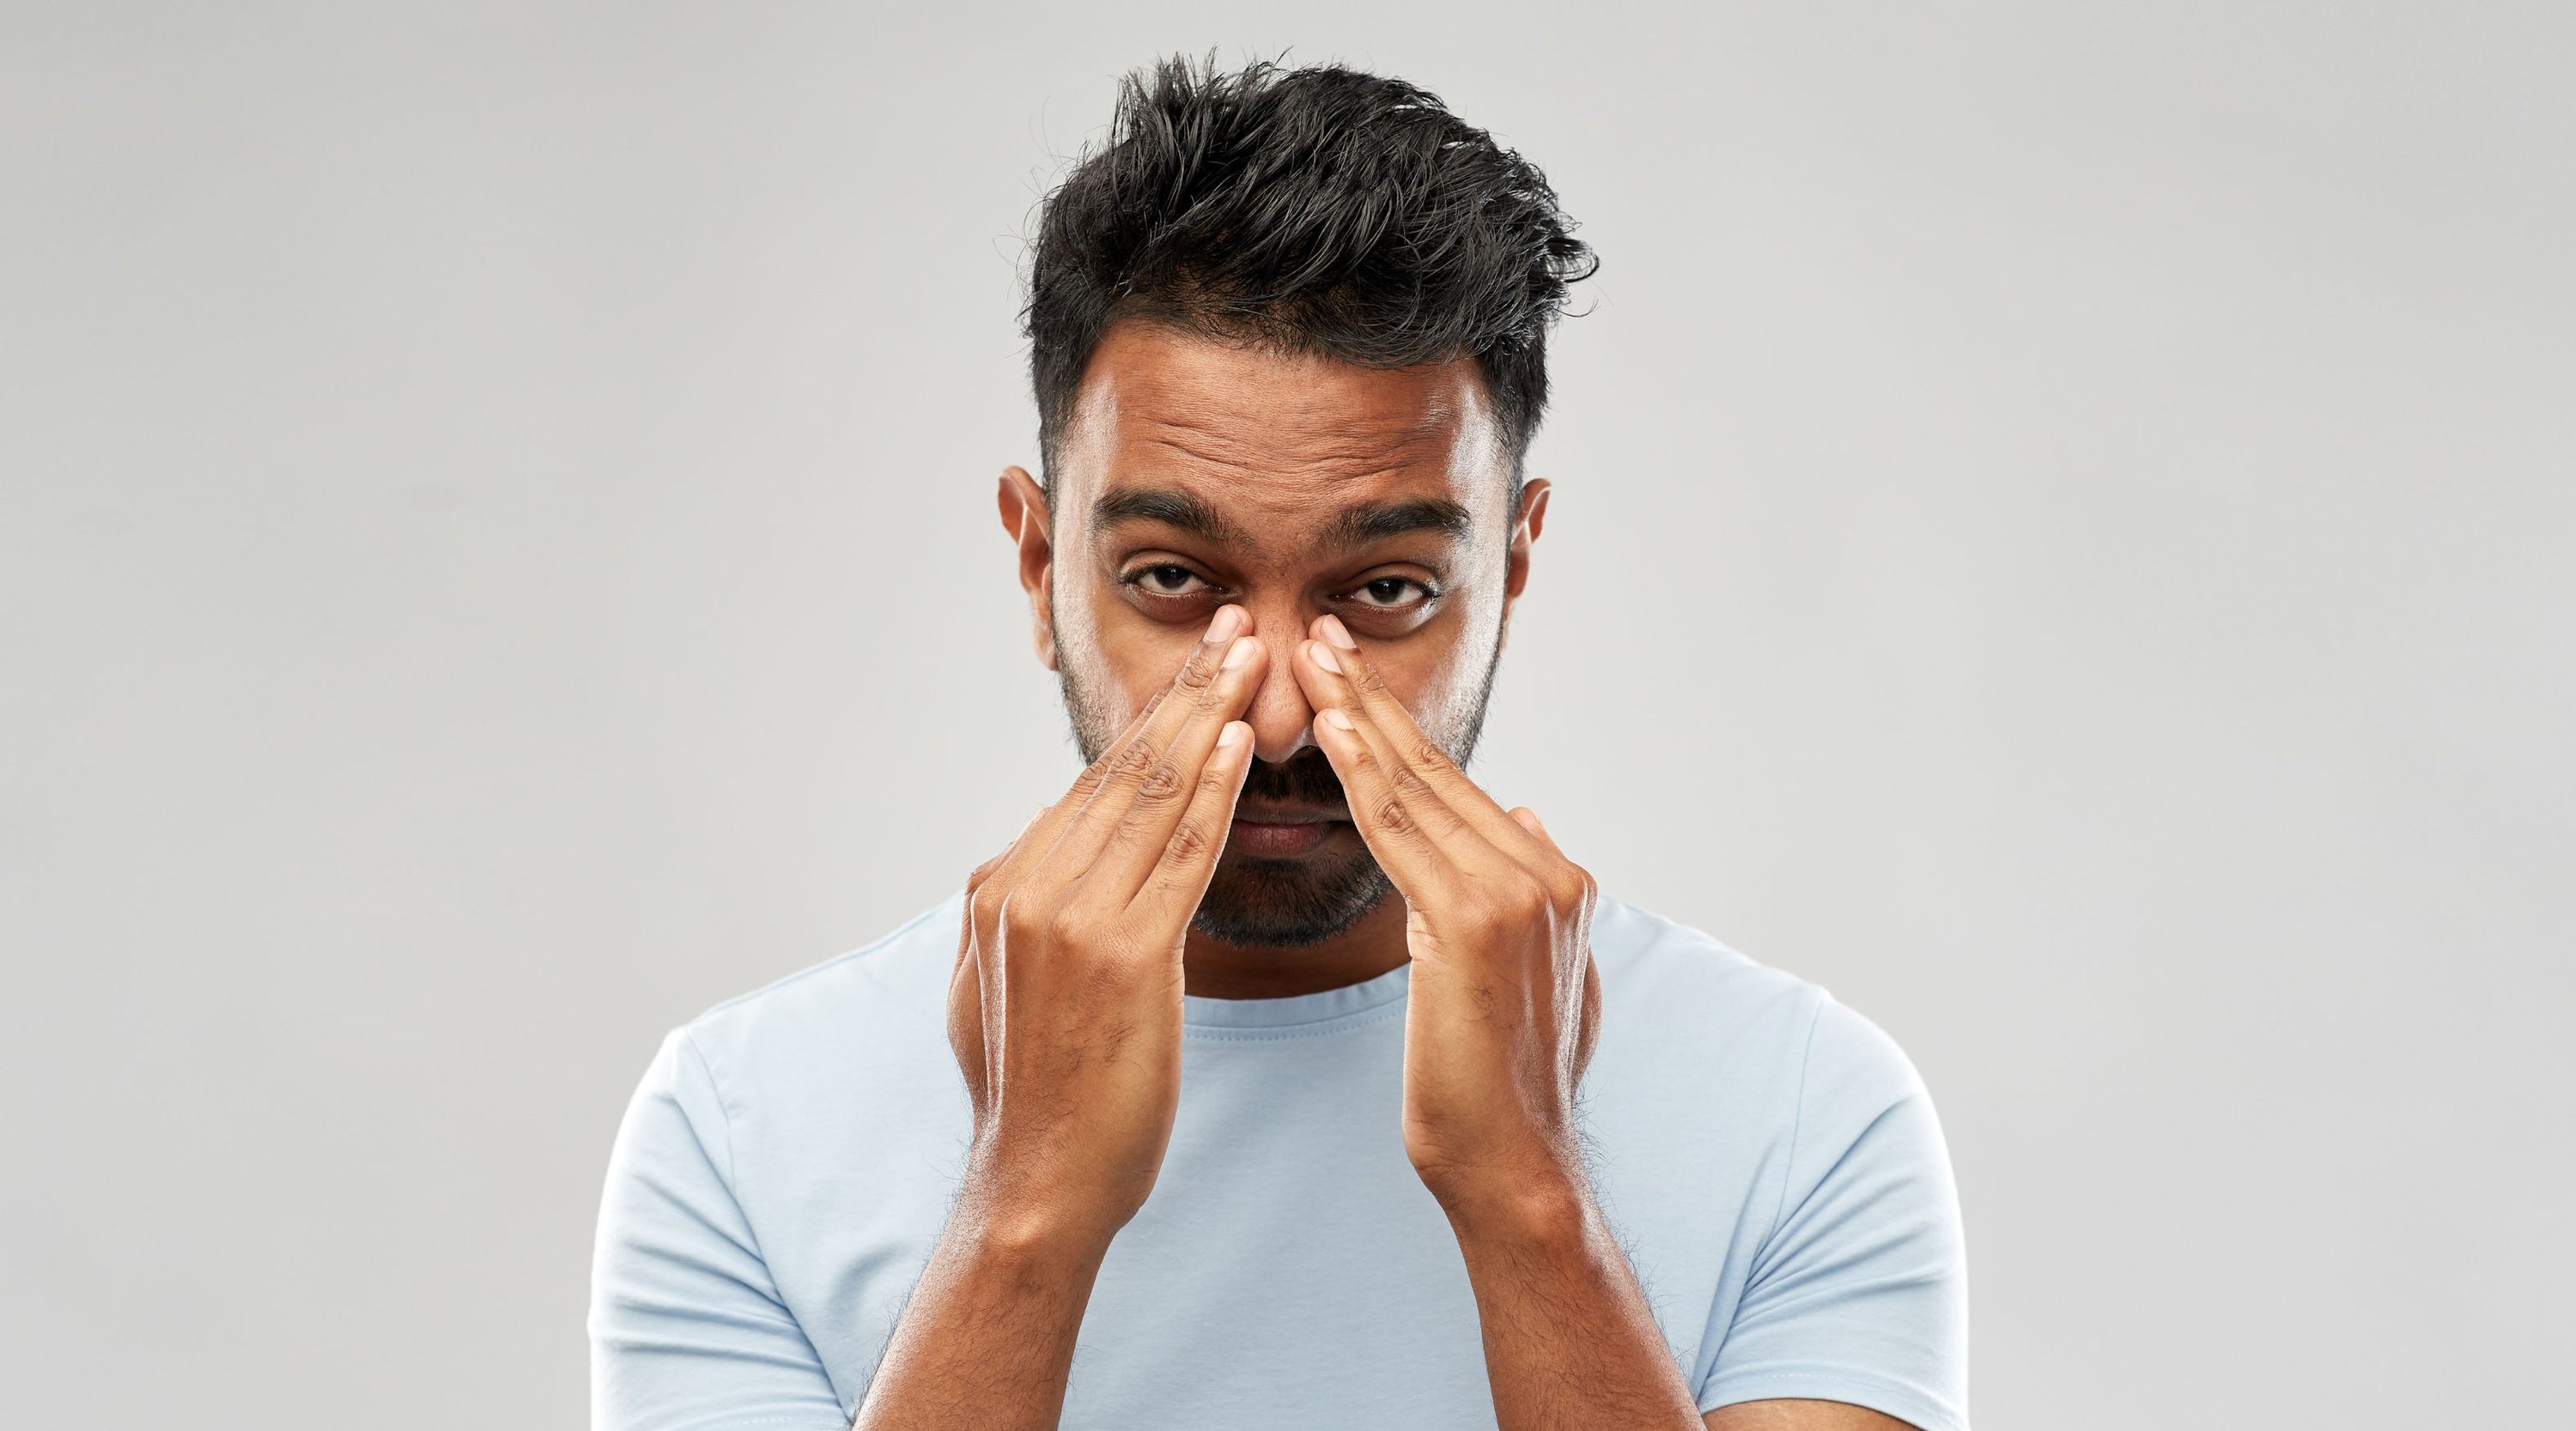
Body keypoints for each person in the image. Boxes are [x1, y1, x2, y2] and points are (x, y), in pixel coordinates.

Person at [589, 57, 1968, 1431]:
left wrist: (1530, 1198)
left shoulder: (1804, 1110)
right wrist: (1026, 1205)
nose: (1278, 711)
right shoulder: (741, 1126)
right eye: (1172, 580)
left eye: (1385, 592)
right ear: (1039, 566)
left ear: (1511, 570)